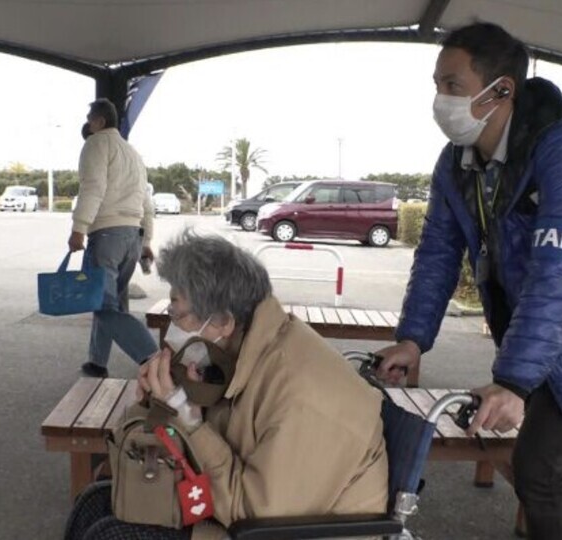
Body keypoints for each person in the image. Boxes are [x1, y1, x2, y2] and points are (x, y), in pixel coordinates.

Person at [375, 23, 562, 539]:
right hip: (540, 330)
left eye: (452, 85)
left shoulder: (561, 152)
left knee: (537, 468)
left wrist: (515, 382)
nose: (440, 100)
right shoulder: (456, 162)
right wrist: (413, 339)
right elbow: (437, 253)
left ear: (501, 90)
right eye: (437, 85)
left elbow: (555, 271)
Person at [66, 231, 388, 540]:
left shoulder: (302, 397)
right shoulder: (243, 351)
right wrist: (170, 398)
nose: (172, 327)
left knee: (111, 534)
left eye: (177, 314)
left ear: (222, 321)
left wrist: (188, 419)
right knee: (95, 503)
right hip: (243, 512)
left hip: (273, 530)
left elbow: (255, 517)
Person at [69, 98, 158, 378]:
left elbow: (92, 187)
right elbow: (147, 203)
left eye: (89, 119)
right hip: (132, 237)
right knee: (110, 303)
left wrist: (78, 228)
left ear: (99, 121)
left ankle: (154, 357)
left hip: (107, 234)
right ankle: (97, 362)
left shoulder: (96, 143)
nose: (88, 124)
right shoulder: (132, 153)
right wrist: (146, 242)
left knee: (102, 304)